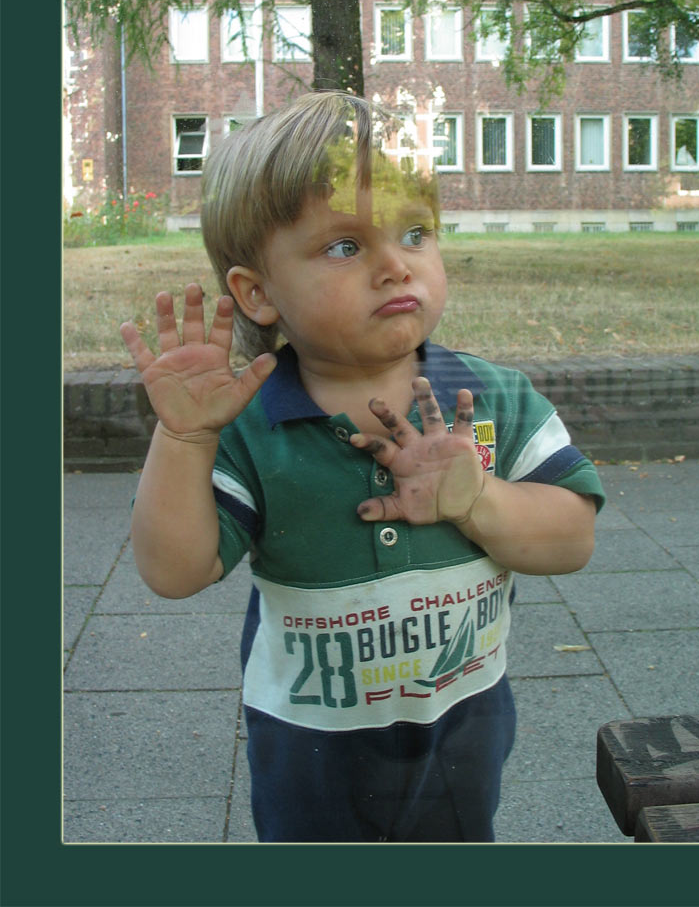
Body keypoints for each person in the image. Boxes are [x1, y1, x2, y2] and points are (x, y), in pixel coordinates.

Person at [120, 91, 605, 843]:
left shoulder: (494, 401)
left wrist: (475, 500)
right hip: (309, 754)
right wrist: (184, 440)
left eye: (415, 232)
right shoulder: (249, 426)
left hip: (462, 730)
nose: (394, 266)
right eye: (345, 246)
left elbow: (572, 539)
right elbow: (174, 570)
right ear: (257, 293)